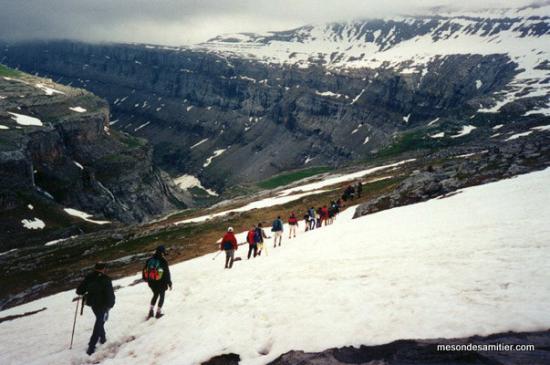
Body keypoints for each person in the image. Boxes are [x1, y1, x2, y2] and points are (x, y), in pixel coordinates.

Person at [76, 262, 115, 356]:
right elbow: (110, 294)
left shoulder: (89, 277)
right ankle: (92, 345)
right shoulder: (106, 279)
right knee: (99, 322)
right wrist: (111, 304)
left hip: (93, 304)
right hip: (103, 305)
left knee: (100, 321)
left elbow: (79, 291)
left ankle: (103, 338)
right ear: (103, 269)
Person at [143, 245, 172, 319]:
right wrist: (169, 283)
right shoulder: (163, 261)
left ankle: (151, 311)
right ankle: (158, 313)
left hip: (151, 282)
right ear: (162, 252)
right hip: (161, 282)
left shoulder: (149, 260)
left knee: (155, 294)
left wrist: (146, 279)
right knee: (162, 296)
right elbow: (166, 273)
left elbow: (144, 270)